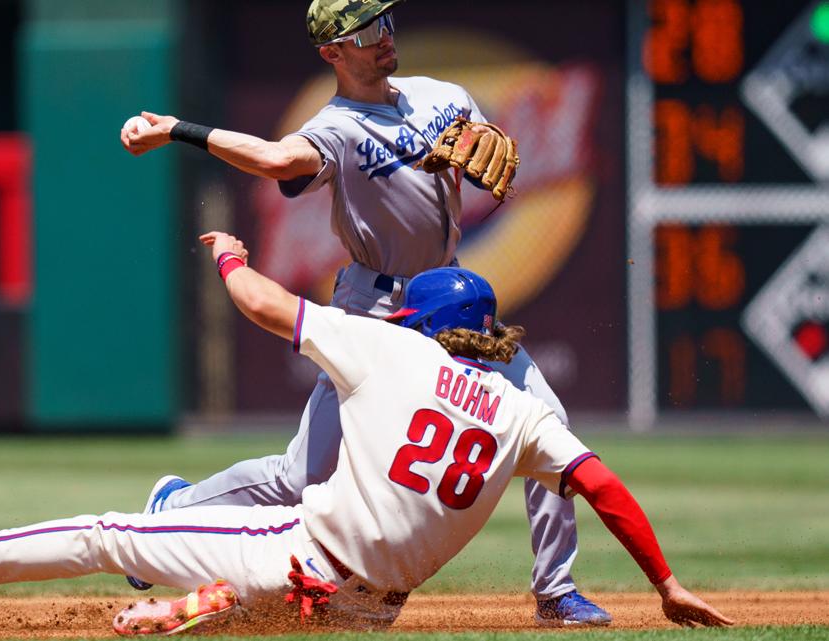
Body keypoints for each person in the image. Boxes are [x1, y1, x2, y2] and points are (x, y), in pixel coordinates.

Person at [0, 230, 734, 636]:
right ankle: (203, 609)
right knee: (269, 610)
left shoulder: (391, 349)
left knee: (109, 533)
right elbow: (604, 486)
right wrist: (666, 581)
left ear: (424, 323)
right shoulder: (523, 413)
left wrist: (227, 255)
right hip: (369, 613)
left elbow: (256, 302)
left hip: (298, 555)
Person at [120, 0, 605, 625]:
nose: (385, 38)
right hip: (375, 310)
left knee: (551, 425)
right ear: (332, 52)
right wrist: (176, 129)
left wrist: (491, 151)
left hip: (450, 304)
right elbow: (273, 160)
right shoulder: (338, 126)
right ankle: (173, 510)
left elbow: (495, 168)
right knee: (303, 475)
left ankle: (556, 591)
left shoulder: (444, 96)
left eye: (387, 24)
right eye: (368, 30)